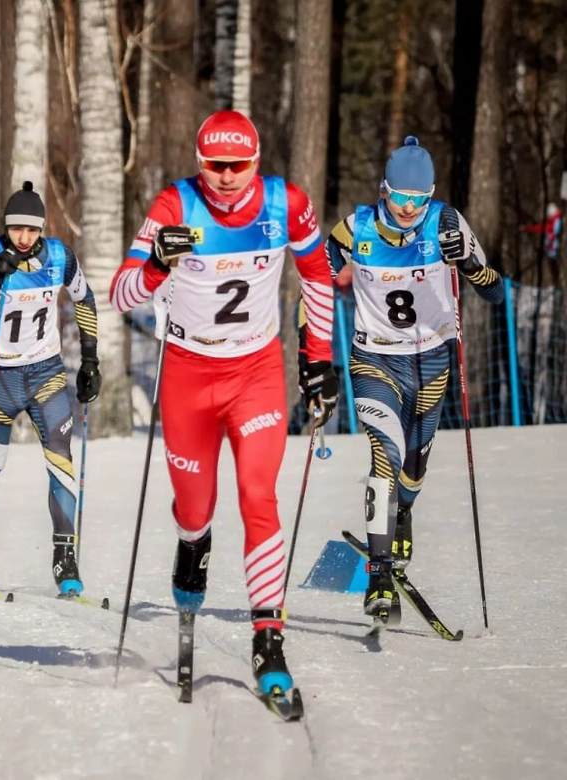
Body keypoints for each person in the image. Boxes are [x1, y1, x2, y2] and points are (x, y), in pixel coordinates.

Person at [111, 110, 337, 698]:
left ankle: (268, 638)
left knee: (258, 494)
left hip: (255, 371)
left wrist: (318, 358)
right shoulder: (174, 205)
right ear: (199, 162)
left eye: (239, 165)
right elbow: (121, 294)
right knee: (195, 508)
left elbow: (318, 275)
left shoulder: (286, 203)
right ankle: (194, 543)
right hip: (188, 374)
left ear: (256, 162)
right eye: (216, 165)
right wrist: (158, 261)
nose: (229, 176)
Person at [325, 136, 503, 622]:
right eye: (401, 198)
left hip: (432, 361)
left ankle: (403, 511)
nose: (409, 209)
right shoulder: (354, 228)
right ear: (384, 190)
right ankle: (378, 572)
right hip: (374, 361)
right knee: (386, 454)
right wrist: (312, 350)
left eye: (419, 200)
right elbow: (316, 282)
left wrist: (466, 263)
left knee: (415, 466)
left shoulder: (447, 222)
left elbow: (495, 291)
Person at [0, 181, 102, 597]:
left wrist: (90, 359)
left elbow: (85, 300)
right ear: (6, 227)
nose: (24, 238)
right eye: (16, 229)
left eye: (32, 230)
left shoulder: (59, 257)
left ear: (42, 229)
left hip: (46, 374)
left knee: (61, 459)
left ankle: (65, 557)